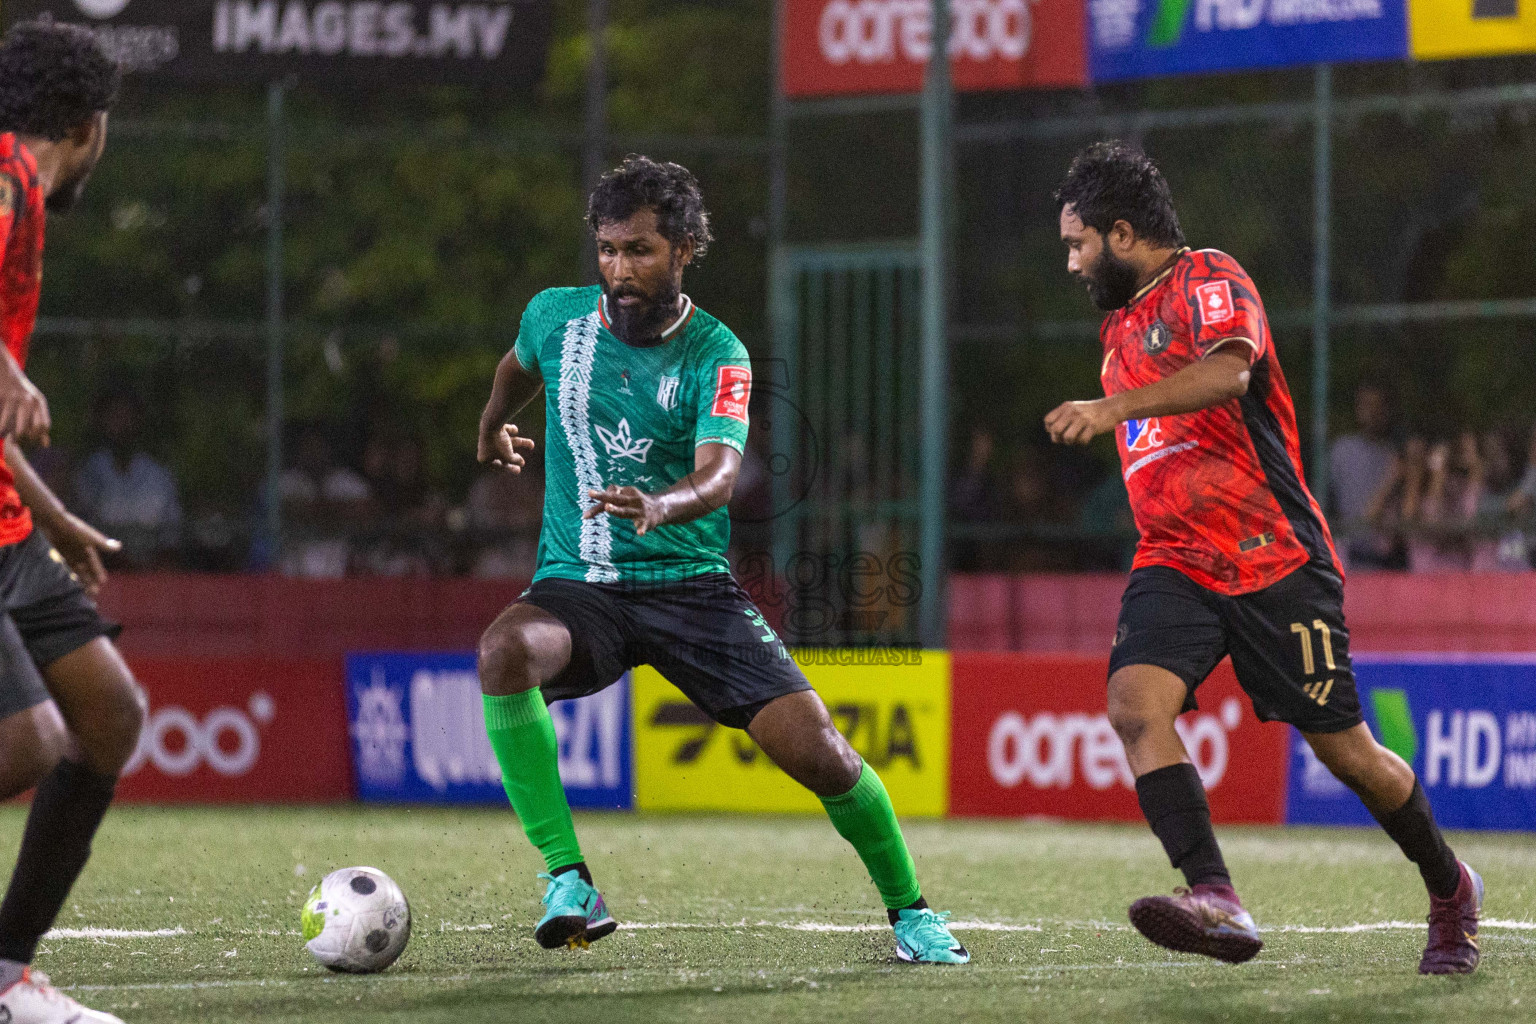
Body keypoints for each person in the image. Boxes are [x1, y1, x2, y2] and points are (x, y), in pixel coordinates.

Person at [474, 156, 968, 964]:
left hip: (690, 590)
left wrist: (660, 505)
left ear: (685, 250)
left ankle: (911, 912)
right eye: (606, 250)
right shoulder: (554, 320)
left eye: (638, 251)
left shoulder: (717, 352)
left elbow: (721, 475)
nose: (618, 270)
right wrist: (494, 421)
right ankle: (568, 877)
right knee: (503, 650)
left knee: (819, 751)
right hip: (581, 584)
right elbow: (515, 367)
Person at [1044, 141, 1480, 974]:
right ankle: (1215, 896)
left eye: (1078, 244)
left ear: (1123, 233)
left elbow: (1228, 376)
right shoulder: (1117, 331)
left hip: (1271, 557)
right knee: (1135, 707)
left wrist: (1113, 408)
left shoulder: (1210, 278)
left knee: (1347, 753)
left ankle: (1451, 886)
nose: (1071, 263)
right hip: (1175, 560)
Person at [0, 22, 148, 1023]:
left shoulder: (24, 197)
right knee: (23, 741)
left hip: (10, 525)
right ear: (91, 127)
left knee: (107, 714)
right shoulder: (5, 176)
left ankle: (6, 973)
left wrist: (56, 516)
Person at [73, 390, 182, 567]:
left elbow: (171, 534)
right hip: (105, 568)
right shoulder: (90, 472)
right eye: (114, 417)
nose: (121, 425)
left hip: (152, 570)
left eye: (126, 417)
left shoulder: (158, 474)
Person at [1328, 383, 1401, 571]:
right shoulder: (1342, 450)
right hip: (1348, 558)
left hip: (1385, 562)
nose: (1371, 412)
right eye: (1366, 405)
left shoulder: (1392, 456)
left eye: (1377, 406)